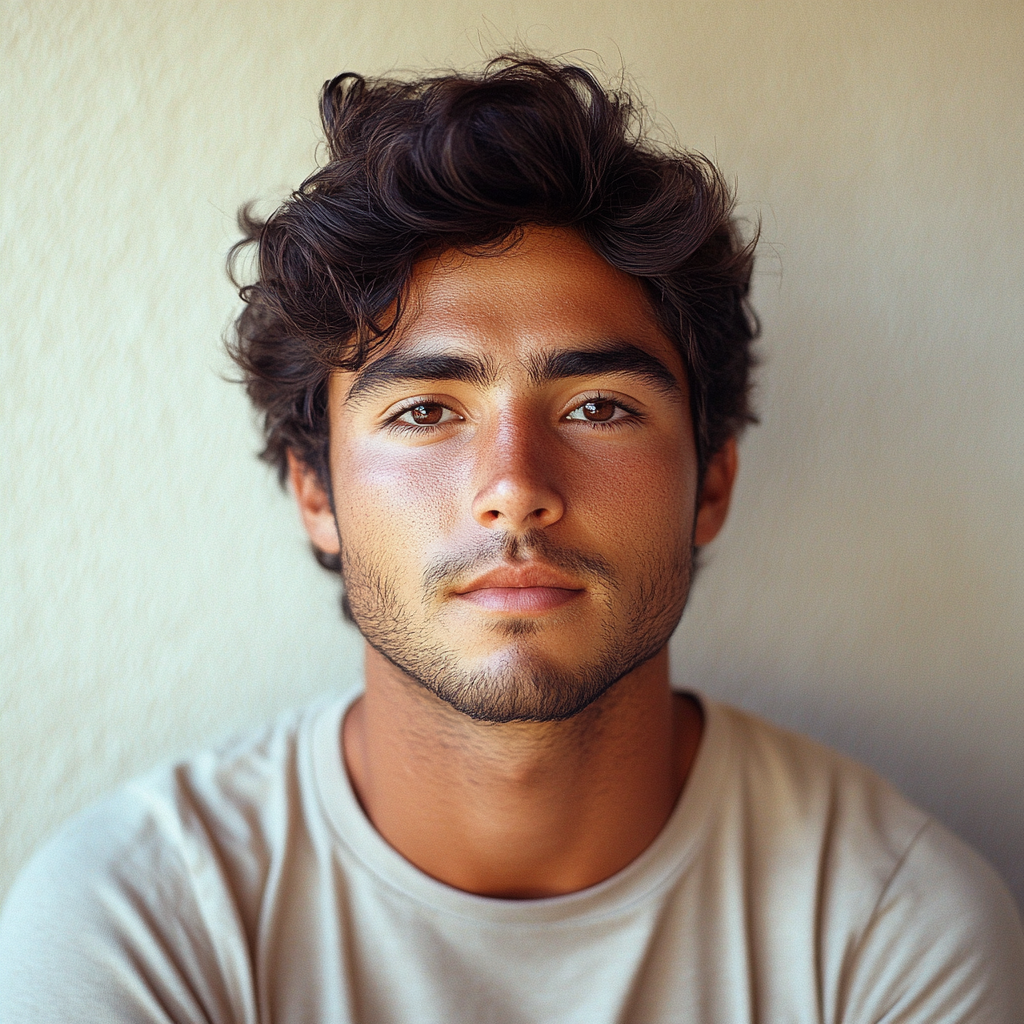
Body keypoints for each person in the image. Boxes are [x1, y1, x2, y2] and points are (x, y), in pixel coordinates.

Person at [1, 55, 1021, 1023]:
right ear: (315, 493)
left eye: (598, 407)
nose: (514, 491)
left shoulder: (894, 934)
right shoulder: (135, 924)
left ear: (709, 483)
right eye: (424, 412)